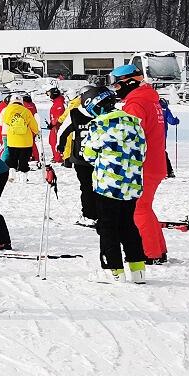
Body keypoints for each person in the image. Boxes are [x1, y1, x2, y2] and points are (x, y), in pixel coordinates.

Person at [79, 87, 149, 283]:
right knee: (128, 225)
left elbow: (88, 155)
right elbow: (142, 153)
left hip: (108, 185)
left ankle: (113, 271)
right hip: (132, 184)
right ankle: (138, 270)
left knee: (107, 227)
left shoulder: (99, 125)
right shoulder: (135, 124)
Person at [112, 63, 169, 264]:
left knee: (138, 209)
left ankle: (149, 253)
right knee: (145, 207)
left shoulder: (136, 104)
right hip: (155, 163)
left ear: (129, 82)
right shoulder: (148, 99)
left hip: (143, 165)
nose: (116, 90)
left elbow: (131, 137)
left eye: (117, 86)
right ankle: (158, 250)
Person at [57, 91, 100, 226]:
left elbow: (63, 131)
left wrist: (61, 146)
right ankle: (101, 213)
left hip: (81, 157)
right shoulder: (103, 112)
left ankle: (89, 215)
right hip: (100, 156)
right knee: (101, 186)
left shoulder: (75, 113)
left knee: (86, 187)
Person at [0, 94, 39, 171]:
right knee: (24, 161)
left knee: (12, 160)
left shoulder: (7, 110)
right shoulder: (26, 111)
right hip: (26, 141)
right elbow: (34, 125)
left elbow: (2, 122)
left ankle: (12, 175)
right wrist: (36, 132)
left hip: (12, 140)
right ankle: (23, 177)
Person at [46, 86, 66, 154]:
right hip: (55, 125)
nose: (49, 96)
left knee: (55, 141)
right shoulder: (56, 102)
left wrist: (54, 124)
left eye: (50, 94)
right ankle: (56, 157)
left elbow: (59, 116)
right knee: (52, 141)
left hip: (57, 126)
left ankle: (58, 158)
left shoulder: (59, 104)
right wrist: (51, 124)